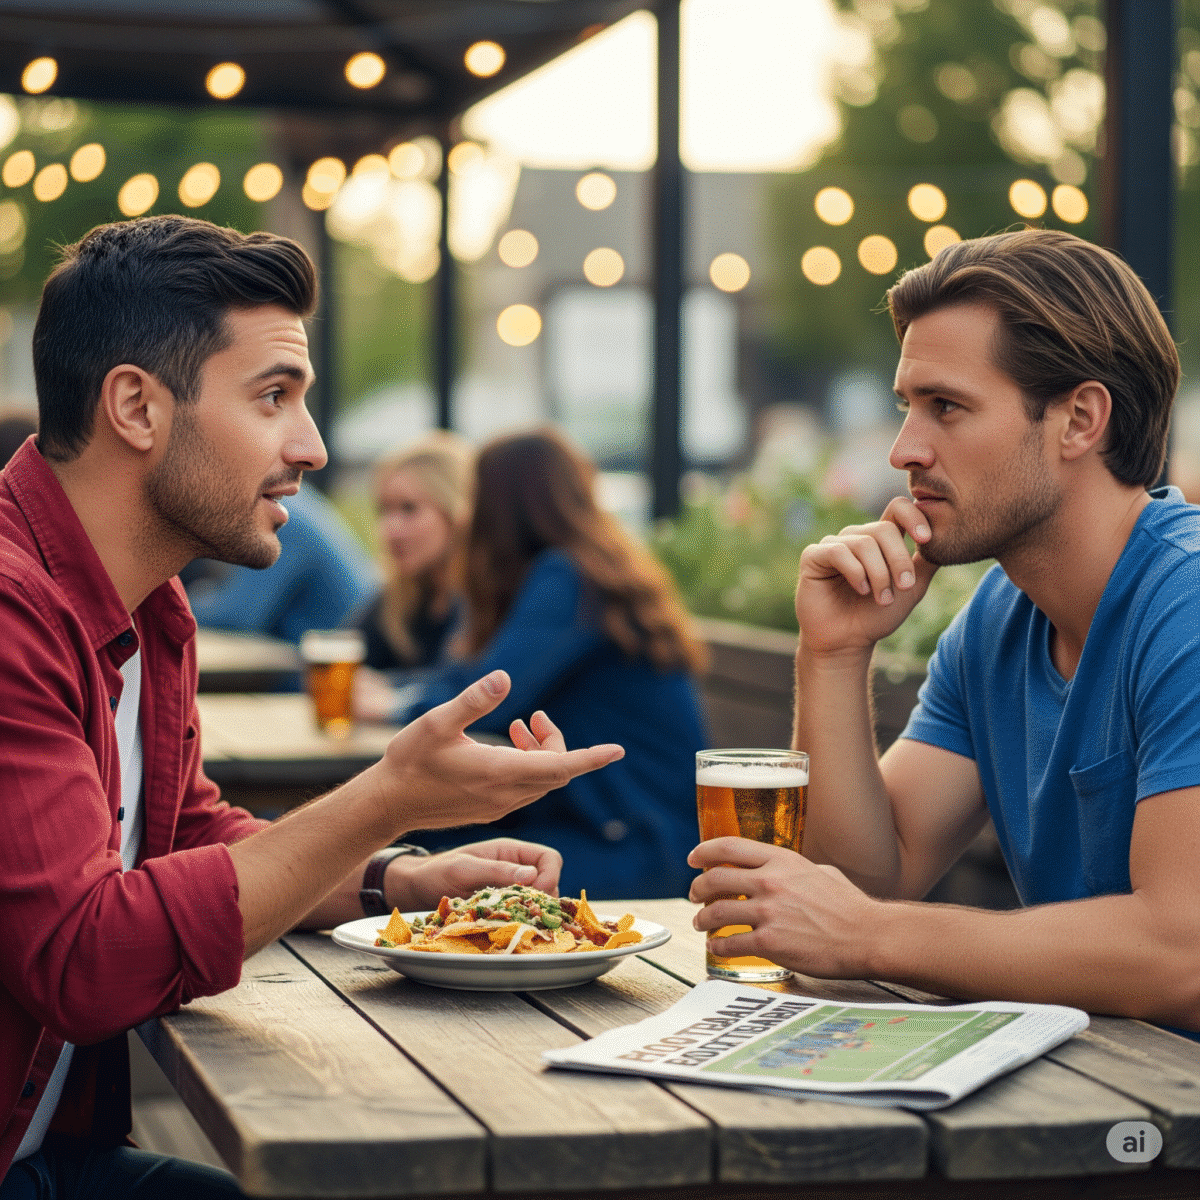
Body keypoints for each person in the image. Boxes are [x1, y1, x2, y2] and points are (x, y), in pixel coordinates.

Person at [0, 215, 623, 1197]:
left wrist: (396, 882)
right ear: (136, 407)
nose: (315, 446)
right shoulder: (10, 613)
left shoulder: (150, 610)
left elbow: (175, 838)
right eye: (273, 396)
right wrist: (385, 798)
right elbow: (83, 964)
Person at [689, 228, 1200, 1035]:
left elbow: (1184, 952)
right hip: (1113, 1094)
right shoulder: (998, 617)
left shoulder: (1187, 605)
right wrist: (834, 652)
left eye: (947, 408)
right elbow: (862, 878)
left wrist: (870, 936)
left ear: (1079, 420)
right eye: (907, 407)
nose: (904, 451)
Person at [375, 428, 710, 901]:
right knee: (407, 851)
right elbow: (467, 677)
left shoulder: (567, 578)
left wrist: (392, 706)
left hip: (638, 846)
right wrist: (405, 694)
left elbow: (486, 696)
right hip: (617, 827)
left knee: (411, 855)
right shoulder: (574, 573)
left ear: (500, 506)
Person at [184, 480, 377, 645]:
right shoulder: (291, 501)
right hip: (315, 663)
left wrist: (174, 603)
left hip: (330, 676)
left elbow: (237, 618)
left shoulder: (279, 515)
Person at [352, 432, 473, 694]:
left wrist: (384, 687)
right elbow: (339, 656)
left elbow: (459, 686)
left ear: (456, 512)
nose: (390, 529)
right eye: (384, 510)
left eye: (409, 509)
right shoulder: (398, 596)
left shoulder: (484, 600)